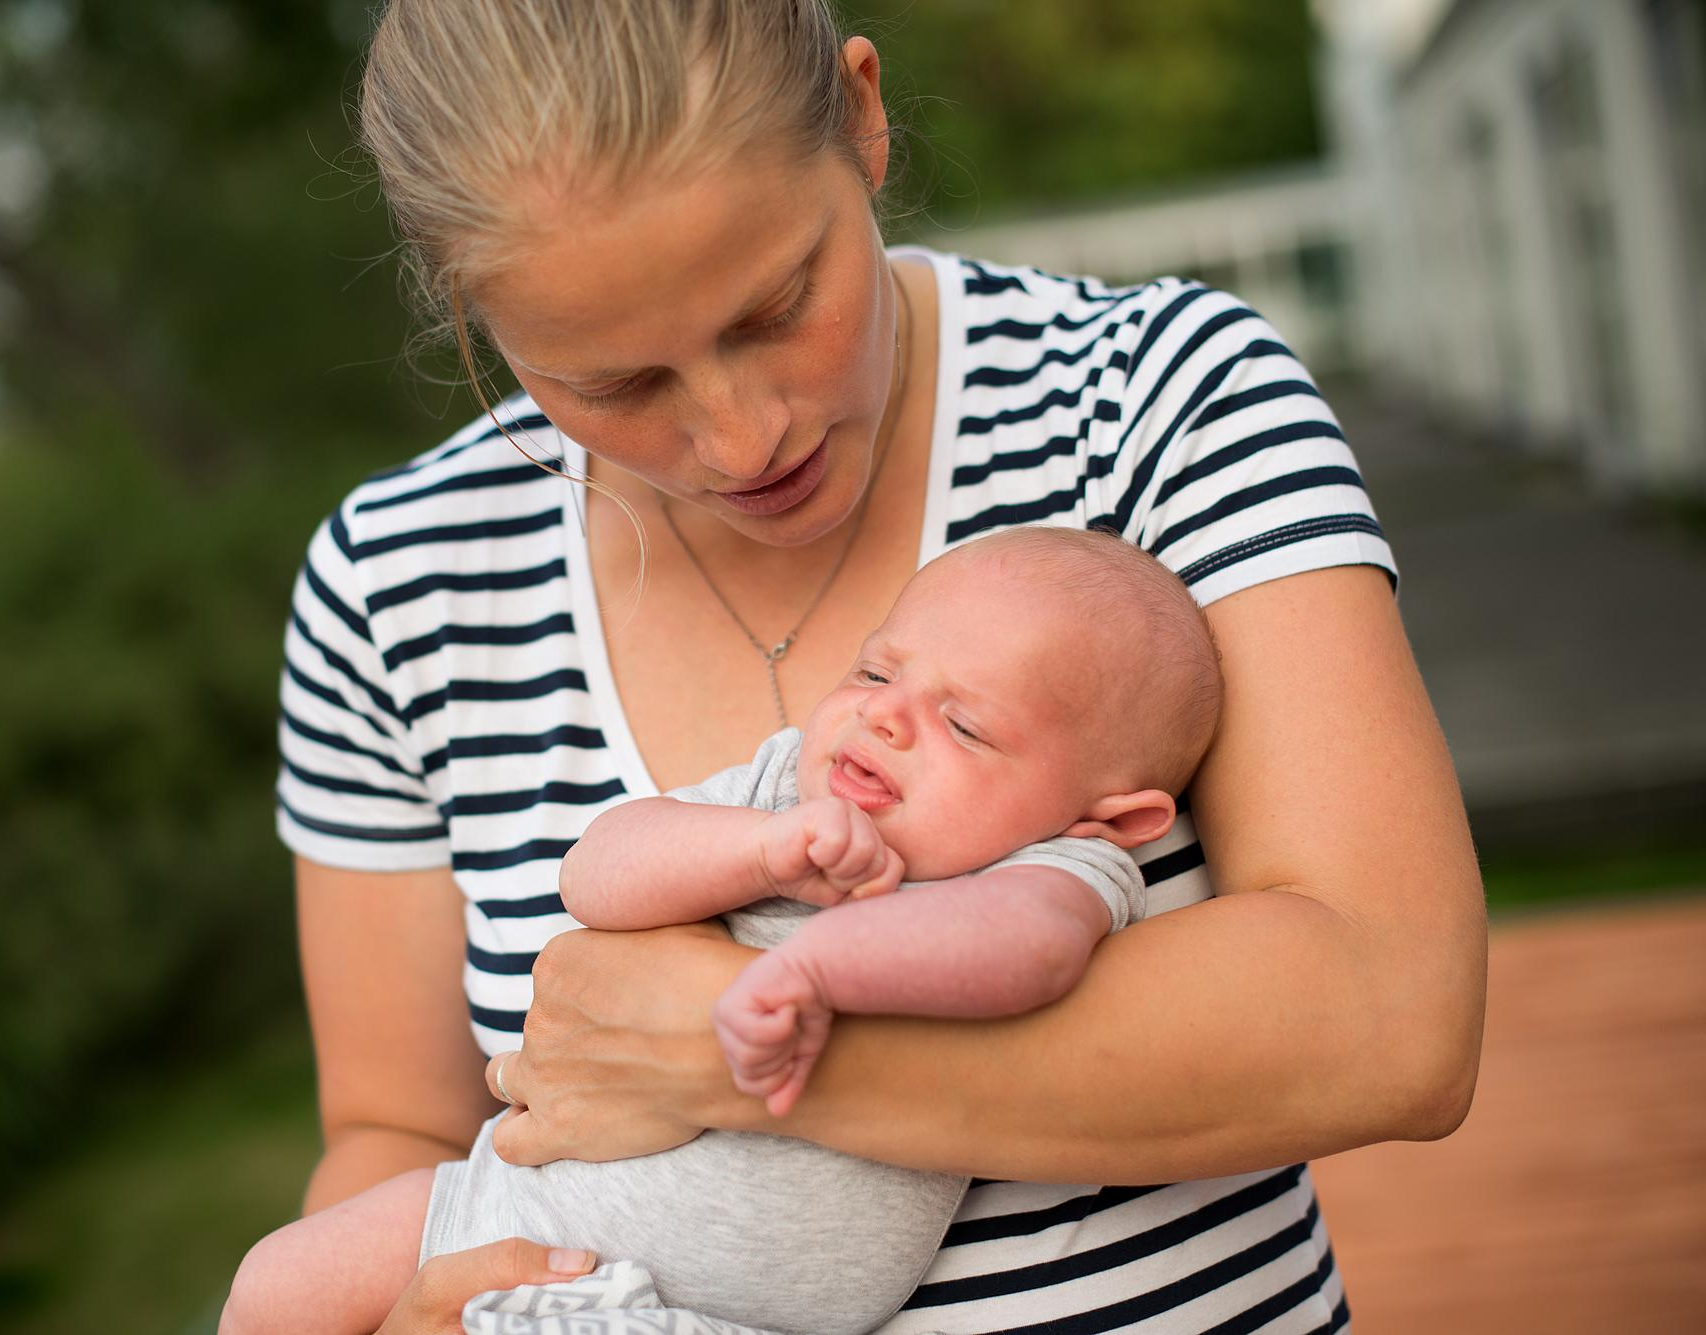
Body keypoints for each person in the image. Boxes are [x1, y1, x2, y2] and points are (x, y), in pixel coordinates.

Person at [274, 3, 1487, 1331]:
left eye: (777, 304)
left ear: (862, 116)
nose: (741, 438)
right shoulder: (394, 583)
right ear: (475, 310)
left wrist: (721, 1051)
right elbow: (394, 1127)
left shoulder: (1159, 401)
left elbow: (1391, 1010)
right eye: (615, 383)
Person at [230, 528, 1220, 1334]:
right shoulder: (781, 790)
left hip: (734, 1310)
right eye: (876, 673)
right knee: (279, 1284)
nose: (885, 721)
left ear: (1110, 817)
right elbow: (598, 872)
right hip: (511, 1212)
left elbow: (1024, 953)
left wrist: (812, 972)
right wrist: (760, 852)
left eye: (965, 727)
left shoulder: (1051, 864)